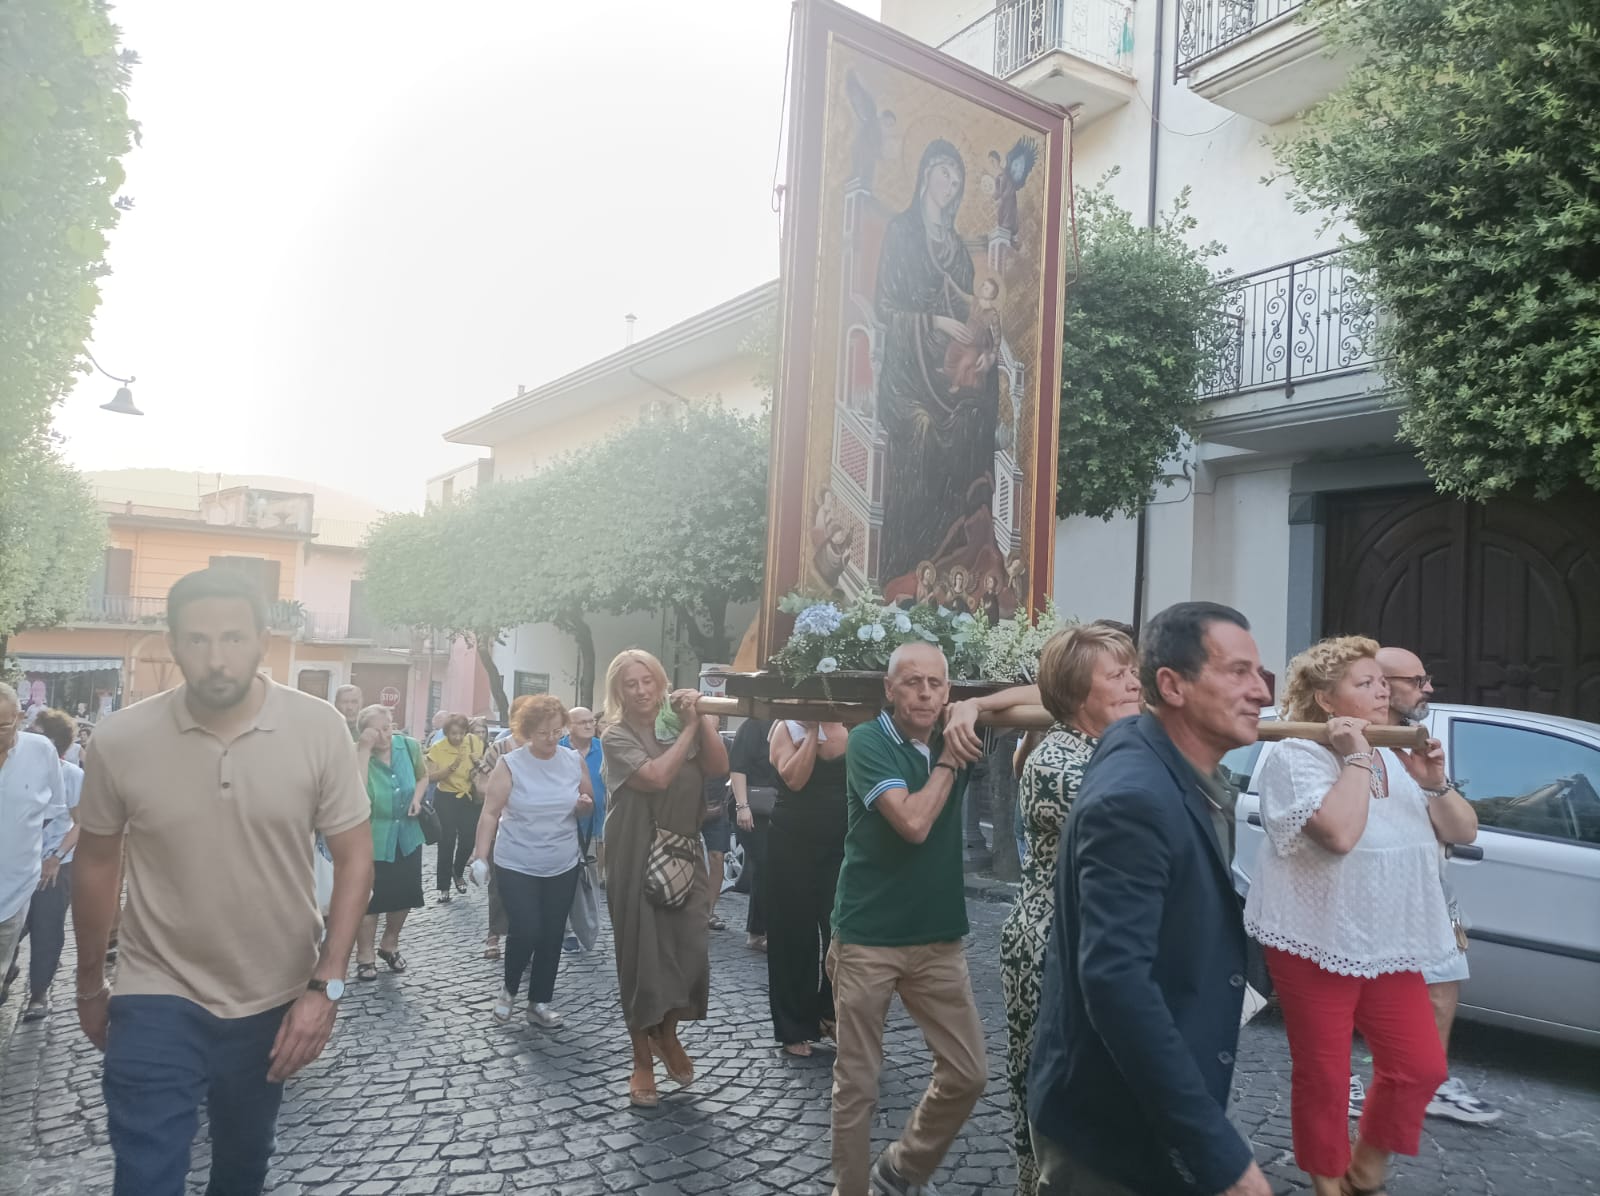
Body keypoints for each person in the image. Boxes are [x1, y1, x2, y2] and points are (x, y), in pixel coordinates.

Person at [70, 567, 373, 1196]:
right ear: (173, 643)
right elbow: (98, 861)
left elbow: (354, 858)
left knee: (241, 1167)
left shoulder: (318, 729)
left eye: (233, 638)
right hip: (156, 989)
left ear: (263, 639)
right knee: (146, 1174)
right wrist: (90, 980)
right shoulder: (122, 739)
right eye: (197, 640)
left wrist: (328, 985)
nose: (215, 659)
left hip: (275, 993)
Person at [1027, 602, 1273, 1196]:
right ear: (1173, 685)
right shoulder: (1135, 797)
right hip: (1109, 1130)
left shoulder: (1150, 745)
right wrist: (1222, 1156)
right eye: (1238, 672)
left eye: (1260, 673)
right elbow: (1117, 985)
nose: (1262, 692)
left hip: (1136, 1114)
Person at [1244, 637, 1477, 1196]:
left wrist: (1434, 782)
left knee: (1420, 1066)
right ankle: (1329, 1184)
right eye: (1365, 683)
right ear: (1326, 700)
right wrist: (1352, 757)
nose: (1382, 692)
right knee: (1324, 1075)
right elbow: (1341, 835)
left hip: (1386, 941)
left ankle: (1366, 1169)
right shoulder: (1295, 754)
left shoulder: (1399, 754)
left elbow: (1463, 831)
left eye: (1382, 681)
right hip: (1312, 937)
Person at [828, 642, 984, 1196]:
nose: (924, 693)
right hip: (868, 937)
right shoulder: (868, 741)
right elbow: (914, 824)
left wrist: (971, 709)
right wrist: (948, 758)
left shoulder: (955, 724)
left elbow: (1046, 693)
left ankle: (902, 1168)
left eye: (936, 684)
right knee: (858, 1084)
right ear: (889, 689)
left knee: (969, 1073)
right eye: (912, 682)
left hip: (938, 937)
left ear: (947, 690)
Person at [1000, 624, 1140, 1196]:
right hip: (1056, 946)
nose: (1136, 683)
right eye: (1119, 674)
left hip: (1096, 941)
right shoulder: (1060, 763)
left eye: (1134, 670)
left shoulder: (1114, 747)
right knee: (1057, 1096)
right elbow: (1140, 834)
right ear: (1080, 695)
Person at [1356, 647, 1500, 1125]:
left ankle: (1428, 1082)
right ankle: (1362, 1081)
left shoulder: (1417, 744)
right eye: (1417, 680)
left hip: (1429, 892)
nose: (1429, 688)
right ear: (1381, 681)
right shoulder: (1355, 746)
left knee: (1442, 984)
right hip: (1376, 892)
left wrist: (1436, 784)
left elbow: (1463, 830)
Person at [599, 649, 727, 1109]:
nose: (641, 691)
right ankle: (642, 1060)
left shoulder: (677, 720)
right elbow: (655, 777)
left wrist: (701, 716)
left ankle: (667, 1034)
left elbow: (718, 767)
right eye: (630, 684)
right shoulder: (615, 734)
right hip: (634, 851)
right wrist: (690, 728)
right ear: (618, 691)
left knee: (689, 950)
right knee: (640, 958)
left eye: (648, 680)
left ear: (660, 681)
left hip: (681, 849)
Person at [471, 694, 593, 1027]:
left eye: (557, 730)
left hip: (562, 861)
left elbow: (588, 801)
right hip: (517, 861)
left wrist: (583, 805)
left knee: (552, 932)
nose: (551, 738)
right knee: (526, 928)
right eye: (543, 733)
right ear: (526, 732)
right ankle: (509, 990)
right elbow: (490, 813)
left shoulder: (572, 760)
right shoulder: (511, 764)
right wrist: (480, 855)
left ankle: (539, 1002)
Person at [766, 719, 848, 1057]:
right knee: (793, 934)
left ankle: (829, 1014)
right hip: (791, 844)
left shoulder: (855, 726)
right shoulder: (786, 728)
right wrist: (813, 731)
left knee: (842, 934)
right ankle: (794, 1027)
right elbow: (794, 779)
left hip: (841, 846)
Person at [0, 684, 69, 1008]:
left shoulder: (40, 752)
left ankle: (34, 995)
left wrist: (49, 857)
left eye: (2, 725)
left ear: (19, 718)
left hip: (13, 892)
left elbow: (58, 812)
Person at [18, 709, 84, 1021]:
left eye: (34, 728)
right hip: (18, 862)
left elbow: (80, 824)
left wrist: (55, 857)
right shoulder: (16, 768)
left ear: (50, 741)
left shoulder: (73, 775)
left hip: (56, 865)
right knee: (12, 924)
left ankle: (39, 995)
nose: (26, 731)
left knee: (46, 928)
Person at [353, 705, 426, 980]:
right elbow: (355, 790)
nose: (385, 735)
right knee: (370, 900)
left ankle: (389, 944)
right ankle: (365, 955)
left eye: (388, 727)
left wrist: (417, 798)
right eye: (378, 730)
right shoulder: (356, 752)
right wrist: (363, 749)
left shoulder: (409, 746)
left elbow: (422, 776)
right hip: (371, 836)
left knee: (405, 895)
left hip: (407, 835)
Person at [474, 694, 536, 961]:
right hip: (503, 824)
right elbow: (480, 785)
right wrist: (503, 791)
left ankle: (526, 936)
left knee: (533, 885)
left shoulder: (545, 747)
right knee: (500, 884)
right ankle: (493, 935)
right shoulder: (500, 748)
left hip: (536, 828)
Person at [728, 716, 778, 951]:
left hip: (774, 808)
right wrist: (742, 806)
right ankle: (759, 932)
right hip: (751, 807)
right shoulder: (752, 726)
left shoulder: (785, 725)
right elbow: (738, 767)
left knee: (767, 867)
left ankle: (759, 931)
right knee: (765, 865)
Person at [560, 706, 607, 954]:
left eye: (592, 721)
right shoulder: (558, 749)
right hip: (563, 827)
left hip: (595, 827)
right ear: (569, 726)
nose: (590, 726)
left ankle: (588, 931)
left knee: (589, 881)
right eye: (582, 722)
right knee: (565, 881)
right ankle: (566, 931)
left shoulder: (604, 748)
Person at [424, 713, 483, 902]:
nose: (457, 737)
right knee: (447, 842)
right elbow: (429, 777)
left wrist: (478, 763)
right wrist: (450, 769)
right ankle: (443, 888)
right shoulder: (438, 748)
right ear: (446, 732)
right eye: (453, 734)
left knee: (468, 838)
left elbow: (484, 765)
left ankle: (457, 872)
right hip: (446, 798)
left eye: (461, 733)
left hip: (468, 797)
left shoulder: (473, 742)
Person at [702, 769, 733, 931]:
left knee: (717, 856)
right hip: (686, 805)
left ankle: (709, 912)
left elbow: (736, 771)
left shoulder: (727, 745)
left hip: (716, 808)